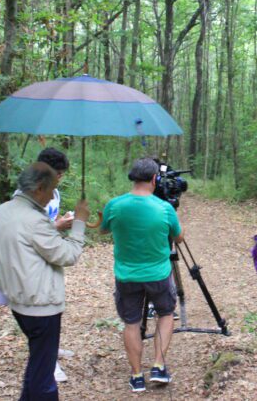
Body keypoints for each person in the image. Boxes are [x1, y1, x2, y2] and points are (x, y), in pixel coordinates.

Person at [0, 162, 90, 401]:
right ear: (38, 188)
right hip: (40, 306)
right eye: (52, 189)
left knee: (38, 364)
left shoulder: (1, 211)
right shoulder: (34, 220)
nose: (53, 196)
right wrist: (80, 223)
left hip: (17, 301)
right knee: (43, 377)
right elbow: (67, 255)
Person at [100, 157, 184, 393]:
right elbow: (179, 238)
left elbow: (104, 228)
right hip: (158, 274)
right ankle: (158, 365)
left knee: (131, 323)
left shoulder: (114, 205)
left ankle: (137, 376)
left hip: (126, 275)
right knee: (166, 314)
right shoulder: (164, 208)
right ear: (155, 179)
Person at [9, 147, 73, 382]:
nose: (61, 178)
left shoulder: (53, 193)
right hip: (30, 263)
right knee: (40, 312)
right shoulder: (25, 195)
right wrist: (59, 227)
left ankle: (52, 349)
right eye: (59, 173)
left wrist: (60, 222)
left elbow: (47, 222)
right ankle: (48, 364)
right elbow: (25, 230)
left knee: (53, 308)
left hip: (48, 256)